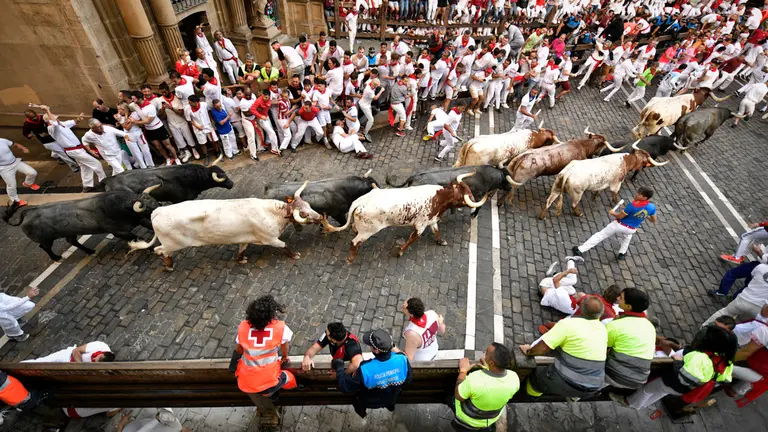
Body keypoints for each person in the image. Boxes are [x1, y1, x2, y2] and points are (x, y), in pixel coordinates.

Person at [611, 325, 736, 410]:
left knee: (647, 390)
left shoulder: (698, 357)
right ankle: (643, 405)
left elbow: (684, 377)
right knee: (660, 392)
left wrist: (678, 362)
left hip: (671, 382)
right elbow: (722, 380)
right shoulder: (725, 362)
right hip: (682, 390)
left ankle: (630, 403)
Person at [520, 296, 607, 399]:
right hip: (593, 387)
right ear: (600, 314)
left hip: (565, 381)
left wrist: (528, 351)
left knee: (537, 377)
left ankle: (529, 397)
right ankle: (571, 397)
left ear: (581, 308)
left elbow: (542, 349)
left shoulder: (568, 324)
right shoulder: (603, 329)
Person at [232, 295, 297, 408]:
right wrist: (285, 357)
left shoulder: (243, 327)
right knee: (288, 377)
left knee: (268, 387)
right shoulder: (280, 328)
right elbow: (284, 348)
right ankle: (280, 392)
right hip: (268, 380)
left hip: (246, 381)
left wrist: (235, 364)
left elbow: (238, 349)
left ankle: (270, 394)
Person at [333, 328, 412, 418]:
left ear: (376, 350)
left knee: (357, 401)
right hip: (391, 398)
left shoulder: (365, 369)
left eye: (370, 345)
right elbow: (407, 380)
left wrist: (339, 367)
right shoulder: (402, 359)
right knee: (390, 402)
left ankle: (362, 412)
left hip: (369, 401)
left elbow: (345, 387)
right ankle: (390, 407)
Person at [572, 187, 657, 260]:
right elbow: (653, 220)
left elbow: (620, 216)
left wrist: (613, 213)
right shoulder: (651, 207)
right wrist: (645, 215)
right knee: (627, 238)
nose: (636, 194)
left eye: (639, 194)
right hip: (632, 229)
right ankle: (622, 253)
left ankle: (580, 249)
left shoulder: (632, 206)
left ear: (645, 197)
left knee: (601, 235)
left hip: (619, 225)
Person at [452, 343, 520, 431]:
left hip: (468, 419)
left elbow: (458, 395)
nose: (484, 353)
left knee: (449, 397)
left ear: (492, 363)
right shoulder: (514, 378)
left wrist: (463, 371)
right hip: (491, 418)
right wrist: (488, 369)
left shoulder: (475, 379)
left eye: (486, 353)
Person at [41, 106, 105, 192]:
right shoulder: (51, 128)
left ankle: (87, 186)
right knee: (97, 164)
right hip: (74, 151)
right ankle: (104, 183)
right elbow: (54, 123)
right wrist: (47, 110)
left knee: (85, 167)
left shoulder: (61, 124)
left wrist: (79, 118)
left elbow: (73, 122)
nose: (57, 119)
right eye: (54, 118)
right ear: (49, 121)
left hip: (77, 150)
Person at [603, 288, 656, 389]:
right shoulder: (650, 326)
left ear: (628, 306)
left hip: (616, 375)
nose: (617, 298)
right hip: (638, 380)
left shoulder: (616, 326)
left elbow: (602, 346)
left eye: (621, 298)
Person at [702, 257, 768, 325]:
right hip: (760, 308)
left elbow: (752, 276)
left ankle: (704, 327)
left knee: (725, 312)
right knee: (757, 327)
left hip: (744, 299)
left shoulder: (760, 267)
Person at [132, 92, 180, 166]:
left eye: (134, 98)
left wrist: (135, 122)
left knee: (168, 145)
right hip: (149, 130)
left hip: (158, 128)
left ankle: (176, 158)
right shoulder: (135, 105)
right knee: (158, 147)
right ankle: (168, 159)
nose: (133, 100)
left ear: (139, 98)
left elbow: (148, 121)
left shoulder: (150, 106)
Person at [158, 83, 194, 162]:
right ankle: (187, 152)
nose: (163, 94)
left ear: (168, 90)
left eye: (165, 92)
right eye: (162, 92)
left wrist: (171, 108)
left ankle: (194, 150)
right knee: (179, 140)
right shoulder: (160, 100)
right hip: (171, 122)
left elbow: (181, 113)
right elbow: (161, 117)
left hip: (181, 121)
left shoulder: (177, 97)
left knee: (189, 137)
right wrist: (163, 109)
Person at [0, 138, 39, 207]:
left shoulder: (2, 140)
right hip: (5, 169)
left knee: (32, 173)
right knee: (11, 185)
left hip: (15, 162)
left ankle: (28, 183)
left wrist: (23, 148)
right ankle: (16, 201)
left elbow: (15, 144)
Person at [184, 95, 219, 166]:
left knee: (214, 141)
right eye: (188, 102)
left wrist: (212, 121)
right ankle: (206, 156)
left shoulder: (204, 105)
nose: (189, 103)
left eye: (190, 102)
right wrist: (197, 126)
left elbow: (209, 112)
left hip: (208, 126)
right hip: (198, 128)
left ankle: (217, 152)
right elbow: (189, 120)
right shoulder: (187, 109)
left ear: (196, 102)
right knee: (202, 143)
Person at [251, 89, 281, 156]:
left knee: (271, 132)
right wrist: (260, 116)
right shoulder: (258, 101)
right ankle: (275, 149)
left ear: (269, 96)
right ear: (262, 95)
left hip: (266, 117)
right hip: (261, 119)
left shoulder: (270, 99)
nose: (265, 98)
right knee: (272, 133)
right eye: (264, 97)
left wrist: (278, 101)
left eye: (266, 97)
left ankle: (269, 144)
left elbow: (271, 102)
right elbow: (252, 109)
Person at [25, 341, 115, 362]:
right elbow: (77, 351)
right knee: (43, 361)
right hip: (67, 356)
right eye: (98, 357)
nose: (95, 359)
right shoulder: (100, 345)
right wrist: (80, 367)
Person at [117, 408, 190, 432]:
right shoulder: (176, 426)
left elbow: (165, 415)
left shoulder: (176, 426)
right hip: (132, 425)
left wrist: (121, 423)